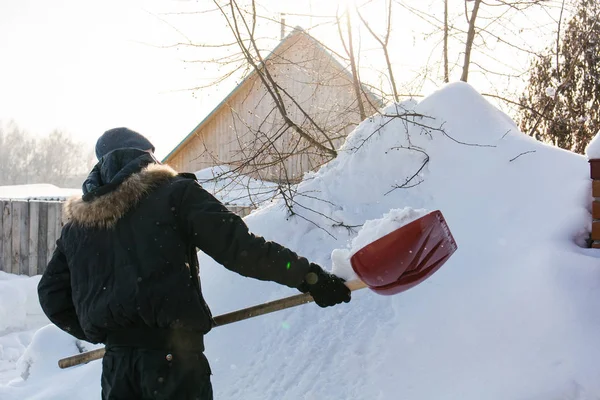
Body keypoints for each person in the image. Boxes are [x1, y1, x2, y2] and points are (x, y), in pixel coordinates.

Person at [37, 127, 351, 400]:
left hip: (117, 370)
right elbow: (241, 249)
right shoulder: (175, 193)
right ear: (144, 156)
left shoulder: (78, 225)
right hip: (174, 362)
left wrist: (111, 335)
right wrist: (309, 277)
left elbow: (51, 294)